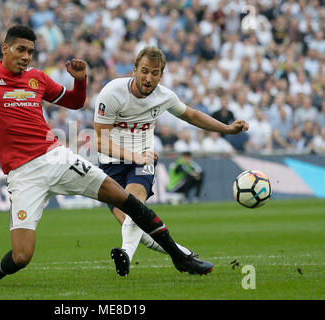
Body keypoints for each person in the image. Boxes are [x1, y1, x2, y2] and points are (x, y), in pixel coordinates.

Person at [0, 12, 216, 287]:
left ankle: (181, 258)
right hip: (22, 174)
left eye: (30, 52)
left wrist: (80, 80)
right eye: (20, 50)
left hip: (56, 158)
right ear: (4, 48)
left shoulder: (37, 79)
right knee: (21, 257)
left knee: (126, 200)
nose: (26, 56)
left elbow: (74, 102)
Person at [94, 46, 249, 276]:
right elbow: (100, 141)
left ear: (161, 76)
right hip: (111, 164)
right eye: (144, 71)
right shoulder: (112, 93)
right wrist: (133, 155)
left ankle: (125, 254)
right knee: (139, 229)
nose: (148, 78)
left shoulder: (164, 96)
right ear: (134, 70)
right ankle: (185, 258)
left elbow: (193, 115)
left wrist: (227, 128)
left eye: (155, 73)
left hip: (144, 160)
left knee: (136, 206)